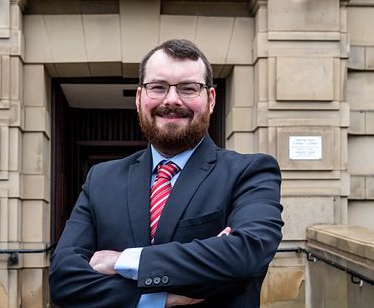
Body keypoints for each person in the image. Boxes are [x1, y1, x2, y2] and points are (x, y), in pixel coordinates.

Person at [49, 39, 284, 308]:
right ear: (139, 99)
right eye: (158, 87)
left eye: (188, 88)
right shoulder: (100, 178)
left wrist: (123, 261)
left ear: (210, 99)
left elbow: (247, 254)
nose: (172, 100)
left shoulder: (250, 172)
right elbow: (63, 280)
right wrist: (161, 297)